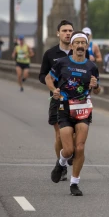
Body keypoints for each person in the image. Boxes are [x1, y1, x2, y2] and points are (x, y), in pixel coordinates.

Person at [46, 31, 101, 196]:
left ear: (86, 46)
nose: (79, 46)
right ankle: (61, 162)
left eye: (82, 43)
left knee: (80, 147)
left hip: (83, 108)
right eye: (76, 43)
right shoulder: (62, 63)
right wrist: (54, 90)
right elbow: (49, 78)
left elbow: (97, 91)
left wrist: (95, 85)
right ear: (71, 46)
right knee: (69, 150)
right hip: (64, 108)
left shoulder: (91, 66)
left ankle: (74, 183)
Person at [39, 20, 77, 182]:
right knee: (60, 135)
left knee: (74, 136)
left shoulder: (79, 52)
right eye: (64, 31)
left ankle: (67, 157)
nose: (68, 33)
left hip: (77, 100)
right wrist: (53, 87)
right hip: (57, 99)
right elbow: (42, 75)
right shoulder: (50, 54)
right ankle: (61, 166)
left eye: (70, 31)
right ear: (58, 33)